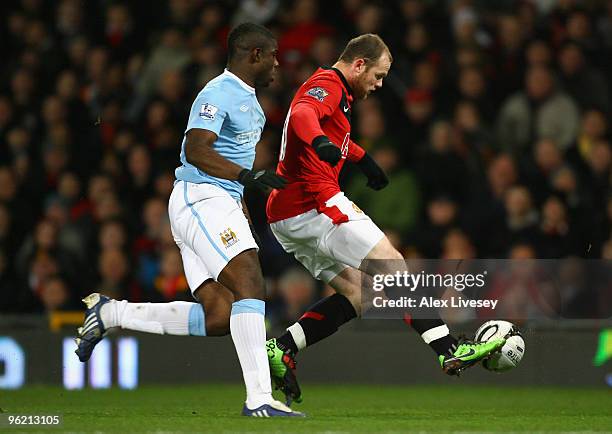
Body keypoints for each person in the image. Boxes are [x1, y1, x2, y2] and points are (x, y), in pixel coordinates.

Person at [74, 23, 303, 418]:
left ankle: (111, 313)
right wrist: (248, 178)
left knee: (219, 316)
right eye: (272, 55)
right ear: (253, 54)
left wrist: (243, 207)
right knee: (250, 281)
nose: (277, 63)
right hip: (200, 197)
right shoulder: (216, 93)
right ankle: (259, 398)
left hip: (220, 203)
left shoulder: (253, 104)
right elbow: (197, 150)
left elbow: (234, 172)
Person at [264, 34, 505, 403]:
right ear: (358, 64)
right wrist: (319, 143)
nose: (378, 85)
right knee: (394, 265)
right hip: (316, 205)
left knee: (359, 294)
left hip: (285, 217)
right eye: (377, 75)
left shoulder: (337, 94)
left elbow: (329, 131)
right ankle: (448, 348)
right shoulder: (326, 85)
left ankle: (281, 348)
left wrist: (361, 159)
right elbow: (302, 116)